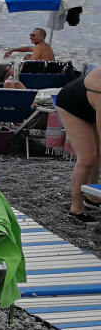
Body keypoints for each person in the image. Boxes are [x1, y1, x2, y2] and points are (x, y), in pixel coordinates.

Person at [55, 66, 101, 223]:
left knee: (97, 153)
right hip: (72, 106)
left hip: (90, 104)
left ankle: (93, 197)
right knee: (88, 157)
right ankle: (76, 209)